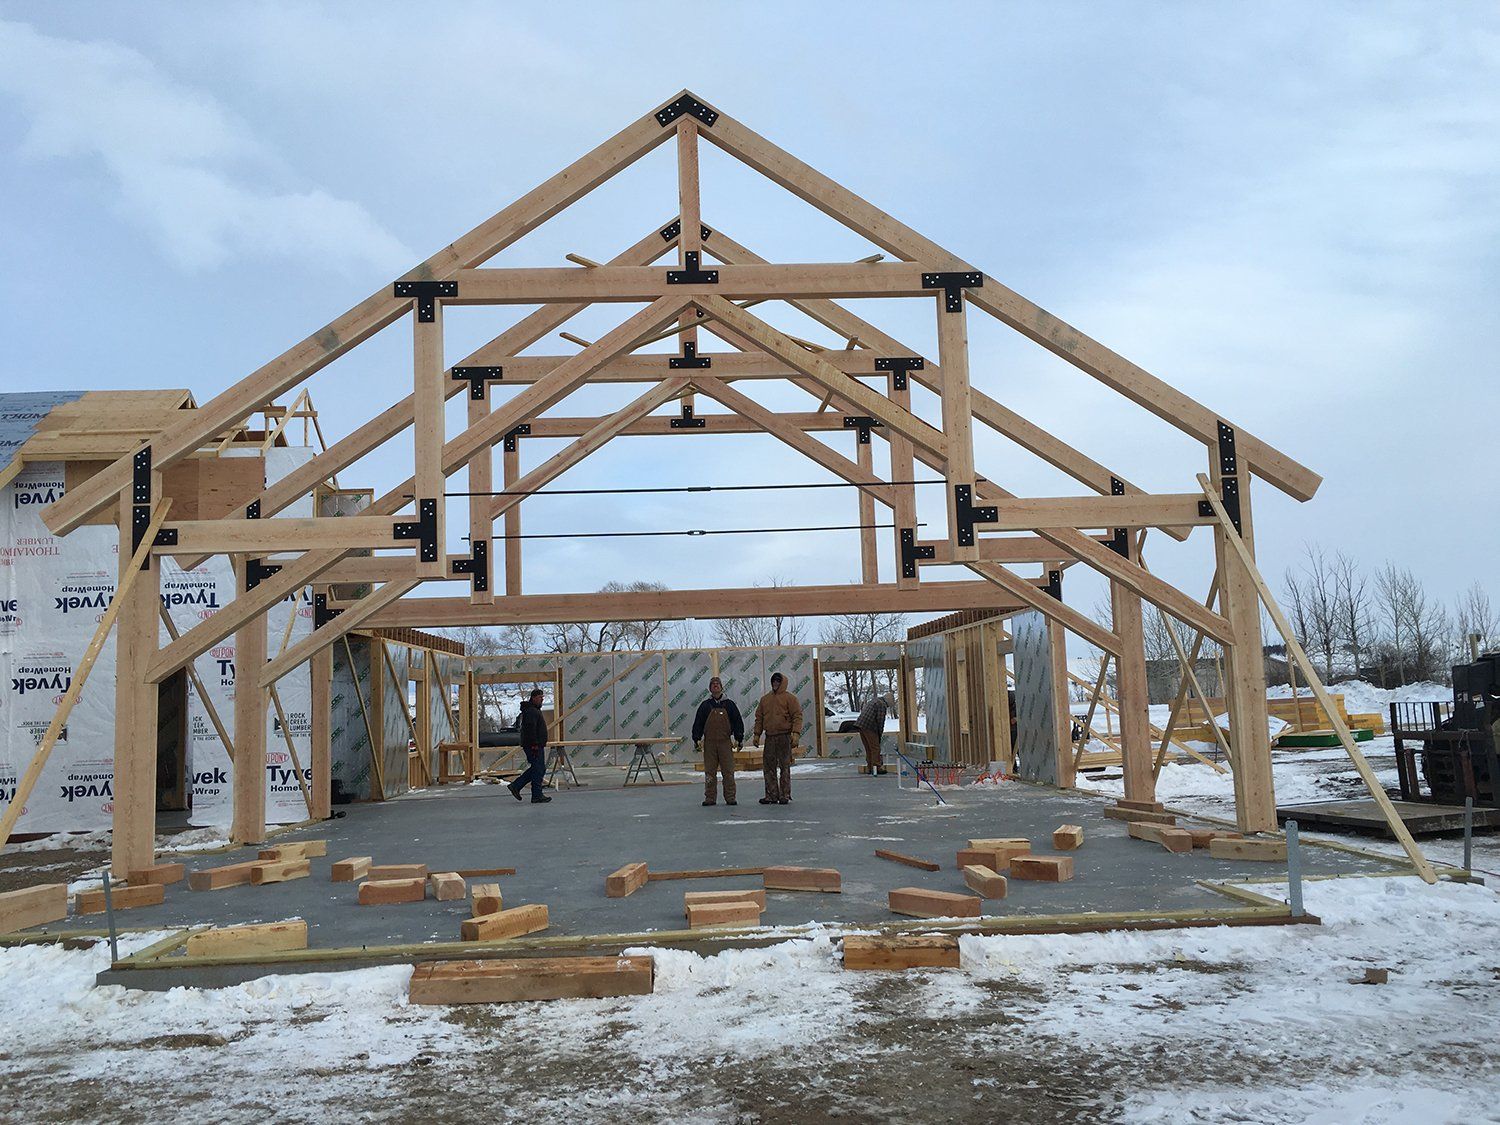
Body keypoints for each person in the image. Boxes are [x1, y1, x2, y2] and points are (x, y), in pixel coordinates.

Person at [752, 672, 803, 805]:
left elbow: (797, 716)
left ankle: (784, 795)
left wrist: (796, 733)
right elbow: (759, 718)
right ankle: (771, 795)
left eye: (778, 681)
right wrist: (757, 734)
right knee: (769, 767)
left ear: (782, 683)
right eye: (773, 681)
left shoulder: (790, 699)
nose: (775, 683)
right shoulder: (765, 699)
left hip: (784, 736)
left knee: (784, 767)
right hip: (770, 737)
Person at [692, 676, 744, 807]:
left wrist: (739, 738)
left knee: (728, 772)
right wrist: (696, 738)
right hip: (709, 744)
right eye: (713, 684)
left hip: (725, 743)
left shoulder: (730, 705)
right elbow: (698, 723)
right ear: (710, 688)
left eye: (717, 684)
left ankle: (730, 797)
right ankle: (710, 798)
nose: (715, 686)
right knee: (710, 772)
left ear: (721, 687)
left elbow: (738, 722)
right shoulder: (705, 706)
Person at [507, 688, 552, 804]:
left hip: (535, 745)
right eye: (539, 697)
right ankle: (536, 795)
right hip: (533, 746)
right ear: (533, 698)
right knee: (538, 769)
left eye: (542, 697)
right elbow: (530, 730)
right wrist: (535, 744)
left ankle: (516, 785)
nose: (542, 699)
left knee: (538, 768)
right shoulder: (531, 711)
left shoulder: (533, 710)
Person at [856, 693, 892, 775]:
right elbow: (880, 721)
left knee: (869, 747)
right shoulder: (882, 705)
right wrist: (879, 734)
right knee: (875, 748)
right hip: (869, 726)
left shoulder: (875, 700)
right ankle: (877, 767)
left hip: (861, 725)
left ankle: (870, 767)